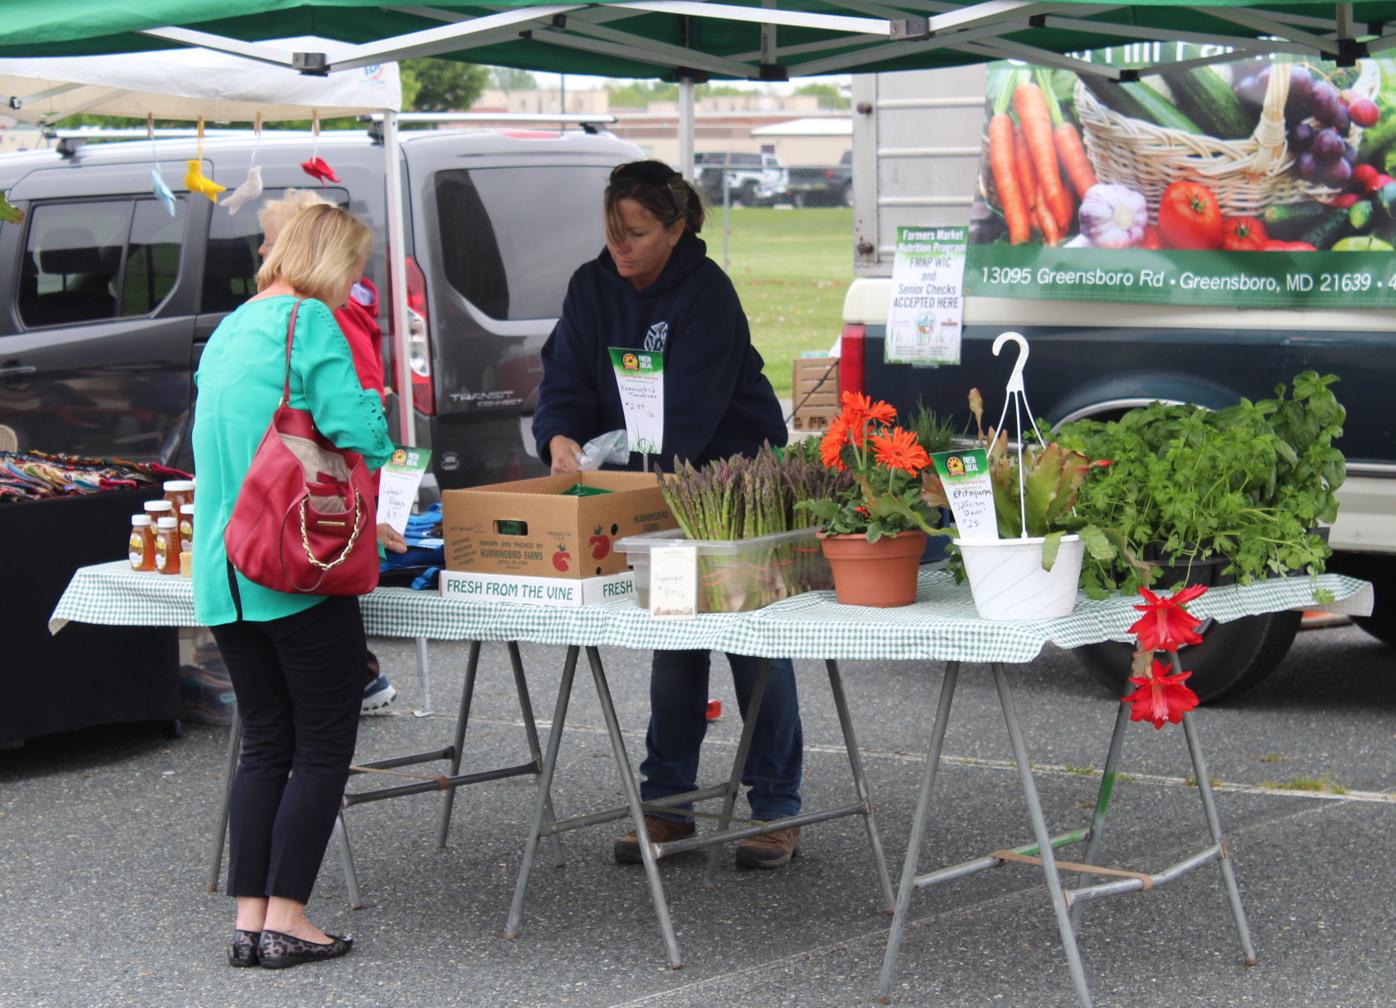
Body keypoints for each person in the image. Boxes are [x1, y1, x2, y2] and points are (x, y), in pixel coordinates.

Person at [531, 160, 803, 869]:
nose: (622, 247)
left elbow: (688, 415)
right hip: (647, 487)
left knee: (753, 645)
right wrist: (559, 434)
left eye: (638, 233)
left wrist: (624, 477)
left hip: (730, 490)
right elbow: (564, 375)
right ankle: (668, 806)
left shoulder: (707, 296)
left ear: (677, 230)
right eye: (613, 232)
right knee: (676, 641)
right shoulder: (592, 288)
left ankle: (776, 806)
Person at [192, 203, 407, 968]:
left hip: (223, 570)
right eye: (354, 268)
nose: (355, 285)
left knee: (264, 746)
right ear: (331, 262)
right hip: (294, 566)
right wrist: (382, 431)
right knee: (322, 745)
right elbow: (357, 429)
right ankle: (289, 917)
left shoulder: (228, 330)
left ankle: (250, 923)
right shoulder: (307, 324)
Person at [257, 189, 396, 714]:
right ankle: (358, 677)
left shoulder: (315, 319)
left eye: (271, 242)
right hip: (306, 518)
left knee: (288, 737)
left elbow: (358, 429)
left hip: (320, 510)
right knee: (304, 738)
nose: (263, 254)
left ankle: (362, 677)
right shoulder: (301, 316)